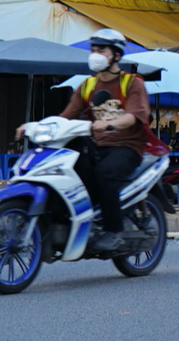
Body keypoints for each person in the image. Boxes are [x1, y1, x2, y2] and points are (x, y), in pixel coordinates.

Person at [51, 29, 150, 251]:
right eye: (93, 50)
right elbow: (66, 115)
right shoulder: (87, 85)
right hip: (95, 146)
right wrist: (37, 126)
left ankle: (113, 231)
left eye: (101, 50)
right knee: (65, 167)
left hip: (127, 147)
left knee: (104, 173)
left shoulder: (132, 83)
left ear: (116, 55)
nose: (95, 54)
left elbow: (133, 116)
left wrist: (108, 124)